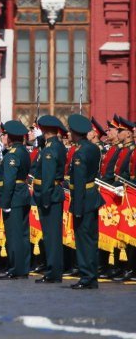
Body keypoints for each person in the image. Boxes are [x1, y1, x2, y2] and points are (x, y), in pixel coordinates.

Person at [67, 114, 105, 290]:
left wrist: (78, 207)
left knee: (83, 240)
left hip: (84, 199)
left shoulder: (80, 153)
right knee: (91, 239)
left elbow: (80, 181)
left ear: (75, 133)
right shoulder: (93, 148)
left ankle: (86, 277)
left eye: (70, 131)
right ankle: (92, 276)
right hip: (92, 197)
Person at [33, 114, 68, 284]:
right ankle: (53, 270)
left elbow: (47, 176)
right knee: (51, 235)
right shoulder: (54, 146)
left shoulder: (50, 149)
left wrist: (44, 197)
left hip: (50, 194)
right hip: (52, 193)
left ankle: (53, 272)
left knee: (52, 236)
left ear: (44, 130)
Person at [0, 120, 31, 280]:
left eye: (5, 135)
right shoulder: (23, 151)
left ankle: (15, 269)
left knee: (14, 234)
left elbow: (9, 180)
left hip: (14, 197)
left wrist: (5, 202)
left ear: (10, 138)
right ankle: (23, 267)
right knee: (23, 234)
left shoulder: (12, 154)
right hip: (22, 194)